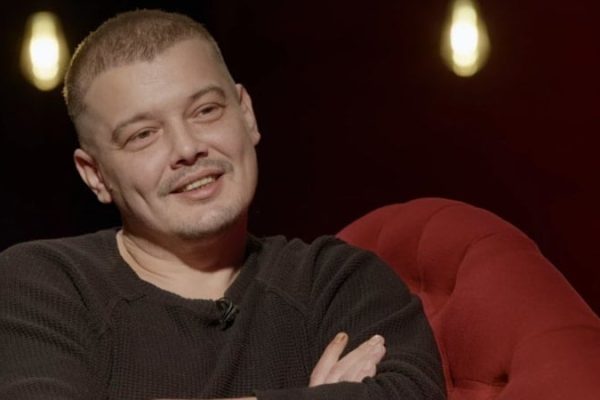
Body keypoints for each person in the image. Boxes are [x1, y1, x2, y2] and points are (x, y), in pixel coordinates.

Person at [0, 9, 445, 400]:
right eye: (143, 135)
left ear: (246, 115)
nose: (187, 148)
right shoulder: (45, 285)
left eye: (206, 110)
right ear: (95, 175)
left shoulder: (336, 280)